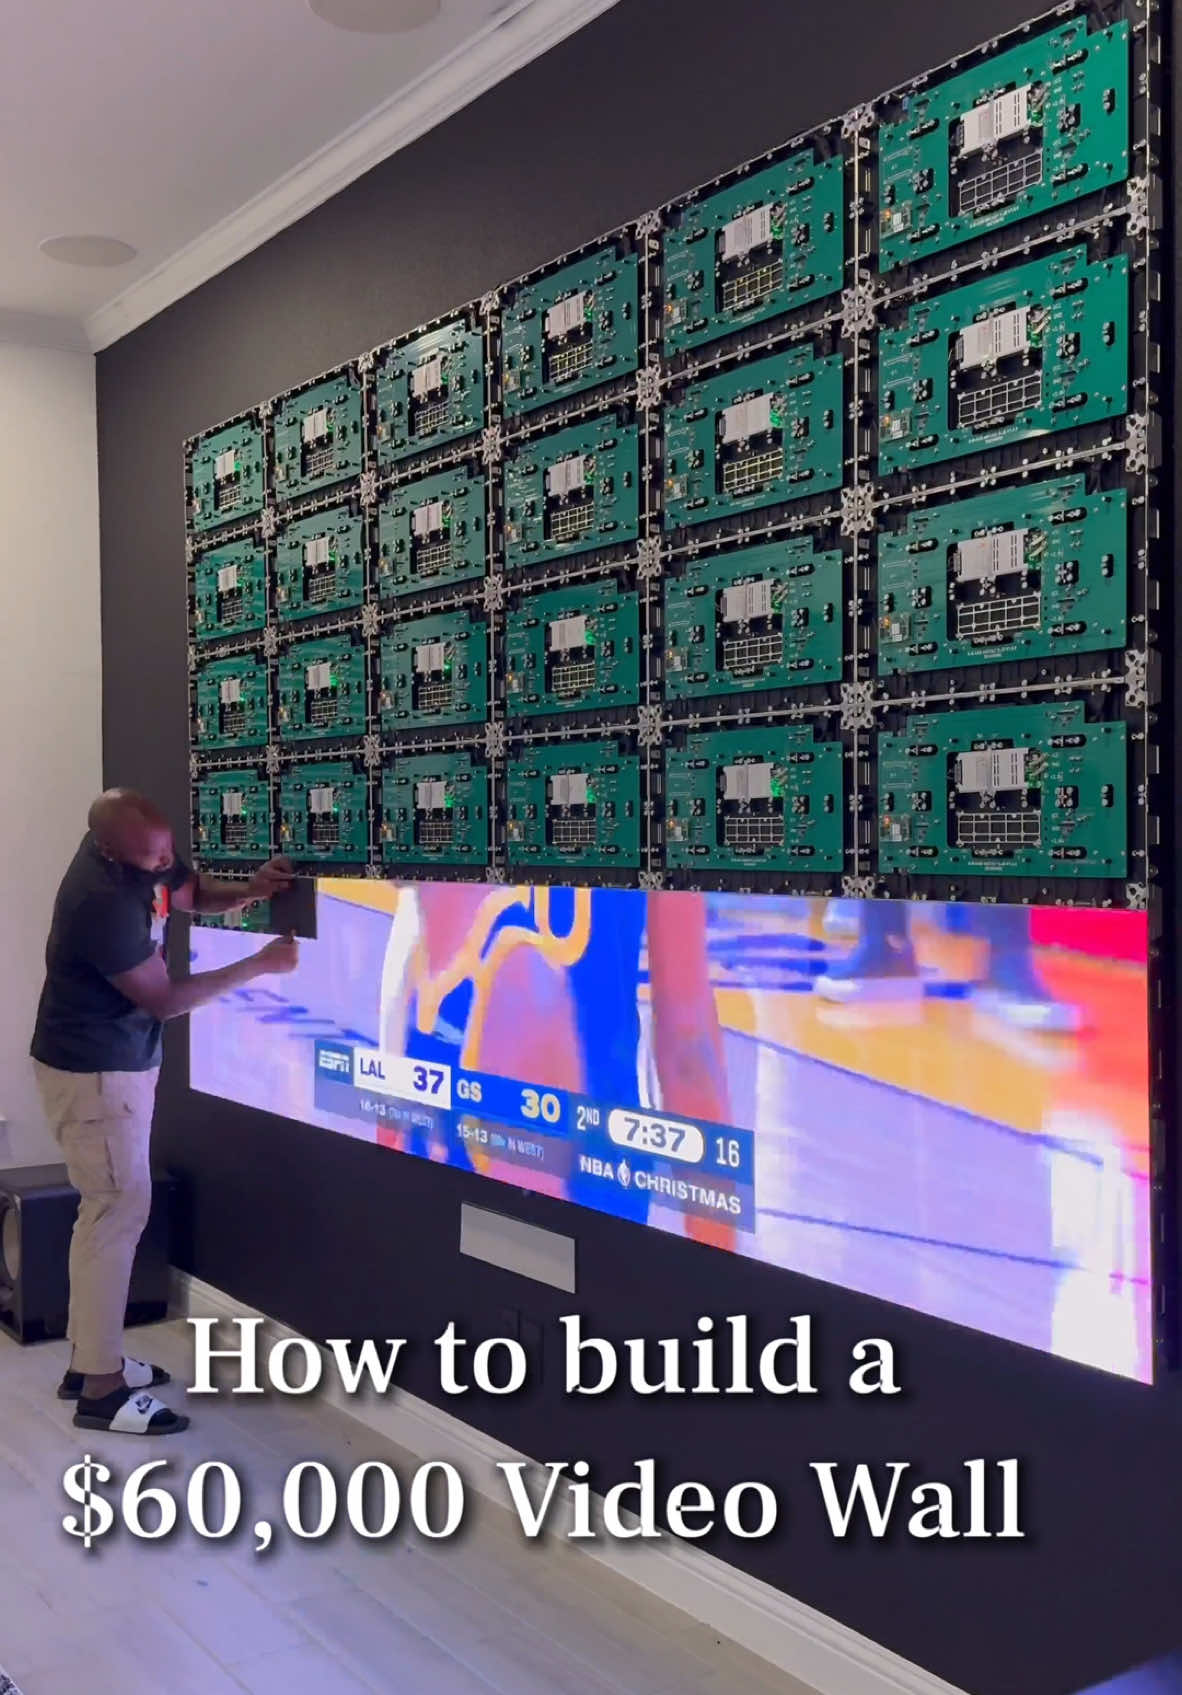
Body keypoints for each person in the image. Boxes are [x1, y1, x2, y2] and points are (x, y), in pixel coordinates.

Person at [29, 789, 298, 1437]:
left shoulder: (141, 855)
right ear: (110, 850)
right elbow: (166, 1000)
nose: (164, 862)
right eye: (152, 857)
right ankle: (102, 1390)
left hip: (112, 1065)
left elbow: (188, 892)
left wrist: (250, 891)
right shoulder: (100, 901)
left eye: (166, 850)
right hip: (95, 1075)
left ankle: (90, 1362)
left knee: (106, 1212)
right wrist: (259, 964)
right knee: (116, 1211)